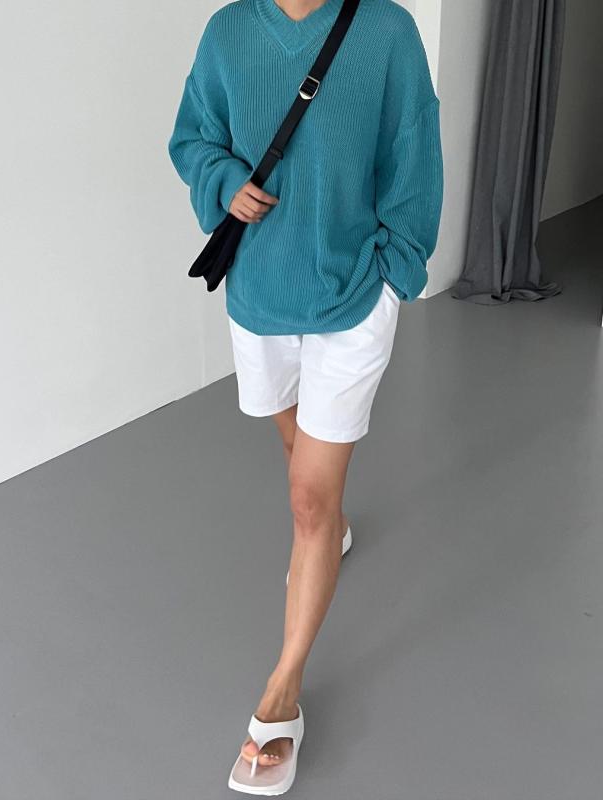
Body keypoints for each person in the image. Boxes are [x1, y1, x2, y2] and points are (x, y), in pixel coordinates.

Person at [168, 0, 443, 793]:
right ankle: (332, 527)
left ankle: (281, 694)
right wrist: (224, 182)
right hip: (259, 297)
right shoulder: (229, 31)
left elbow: (414, 151)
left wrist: (397, 273)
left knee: (308, 500)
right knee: (298, 457)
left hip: (353, 298)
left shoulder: (385, 30)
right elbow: (193, 138)